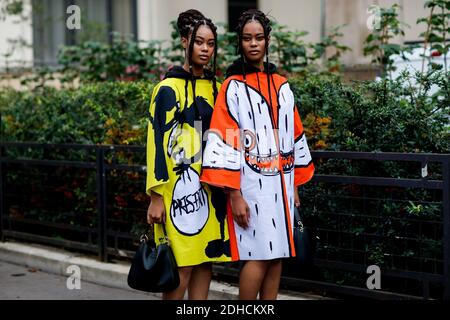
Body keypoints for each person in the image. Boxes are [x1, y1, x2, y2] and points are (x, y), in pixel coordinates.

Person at [200, 9, 315, 300]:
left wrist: (295, 186)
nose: (253, 44)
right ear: (239, 43)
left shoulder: (282, 85)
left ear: (267, 41)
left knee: (277, 256)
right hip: (249, 187)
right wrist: (234, 194)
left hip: (282, 184)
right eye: (247, 38)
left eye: (259, 38)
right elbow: (225, 140)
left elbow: (294, 134)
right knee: (259, 254)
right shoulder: (232, 86)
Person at [145, 9, 231, 300]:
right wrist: (156, 196)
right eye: (199, 42)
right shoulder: (166, 89)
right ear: (185, 42)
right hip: (177, 192)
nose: (206, 49)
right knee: (180, 267)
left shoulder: (217, 88)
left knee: (205, 262)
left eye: (211, 43)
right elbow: (155, 144)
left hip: (210, 188)